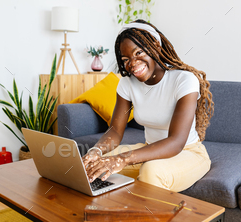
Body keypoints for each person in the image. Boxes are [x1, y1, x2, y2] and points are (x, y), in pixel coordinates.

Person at [82, 19, 214, 192]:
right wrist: (96, 151)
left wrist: (123, 159)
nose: (133, 63)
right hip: (149, 148)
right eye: (126, 59)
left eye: (138, 53)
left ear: (156, 47)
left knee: (151, 171)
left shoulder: (184, 80)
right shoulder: (127, 84)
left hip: (187, 153)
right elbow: (114, 131)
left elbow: (176, 142)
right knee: (94, 165)